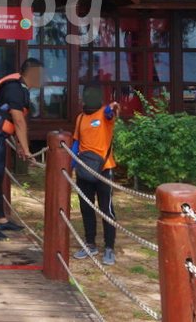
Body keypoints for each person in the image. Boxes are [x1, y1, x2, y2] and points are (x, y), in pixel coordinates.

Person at [0, 58, 41, 240]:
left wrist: (19, 144)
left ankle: (1, 220)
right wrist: (26, 150)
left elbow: (13, 120)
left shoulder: (21, 89)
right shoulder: (15, 89)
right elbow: (18, 121)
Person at [72, 85, 121, 266]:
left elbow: (110, 112)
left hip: (103, 169)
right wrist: (71, 165)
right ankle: (90, 243)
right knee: (86, 207)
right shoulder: (80, 118)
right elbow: (77, 143)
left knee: (106, 209)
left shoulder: (105, 115)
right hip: (84, 169)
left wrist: (112, 107)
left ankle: (109, 247)